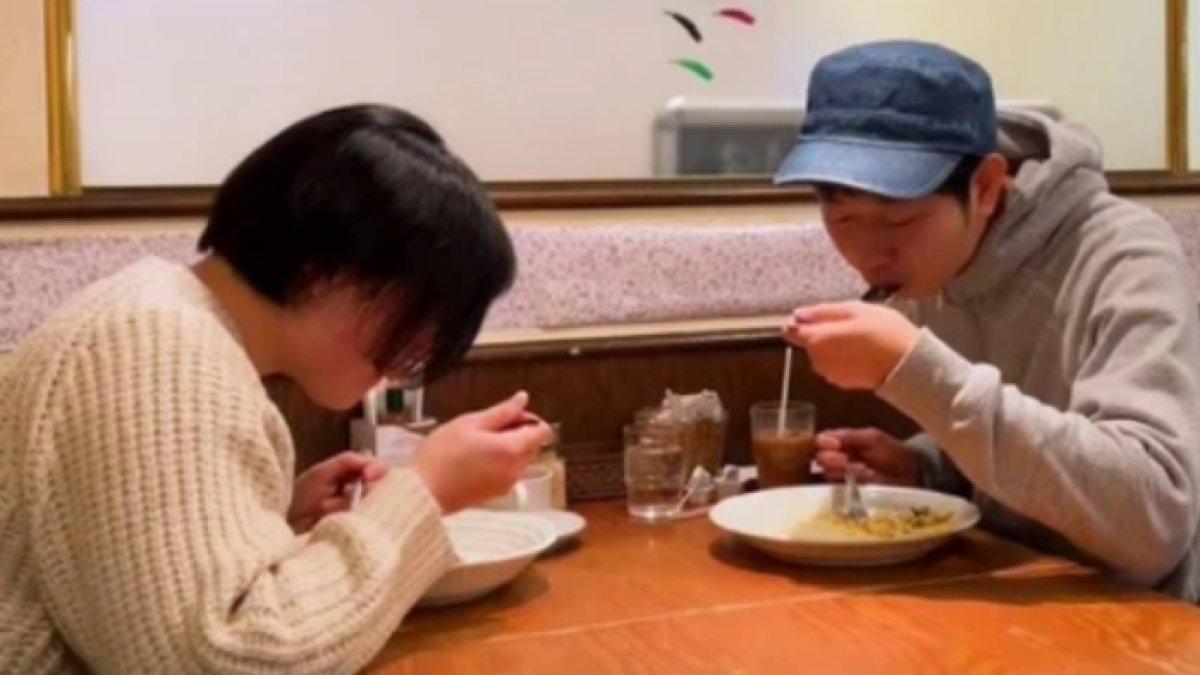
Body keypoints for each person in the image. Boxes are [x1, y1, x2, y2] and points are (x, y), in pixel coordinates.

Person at [0, 104, 551, 673]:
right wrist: (425, 490)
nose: (412, 351)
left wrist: (274, 516)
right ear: (322, 267)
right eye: (415, 313)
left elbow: (127, 586)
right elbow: (223, 658)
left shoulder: (160, 315)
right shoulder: (157, 341)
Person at [777, 40, 1200, 600]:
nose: (869, 255)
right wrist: (927, 467)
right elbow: (1020, 440)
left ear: (984, 187)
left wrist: (920, 373)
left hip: (1138, 614)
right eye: (844, 218)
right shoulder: (928, 265)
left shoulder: (1126, 256)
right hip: (1001, 586)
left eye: (898, 221)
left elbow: (1156, 523)